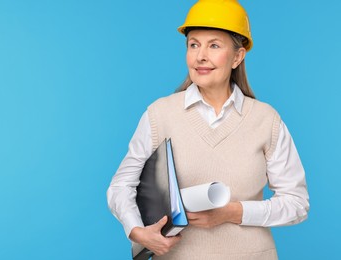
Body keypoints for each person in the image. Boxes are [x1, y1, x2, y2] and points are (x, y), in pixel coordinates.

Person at [107, 0, 309, 259]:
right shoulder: (160, 114)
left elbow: (297, 203)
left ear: (237, 56)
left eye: (214, 45)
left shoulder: (265, 119)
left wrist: (234, 212)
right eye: (193, 45)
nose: (200, 55)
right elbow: (121, 186)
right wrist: (136, 230)